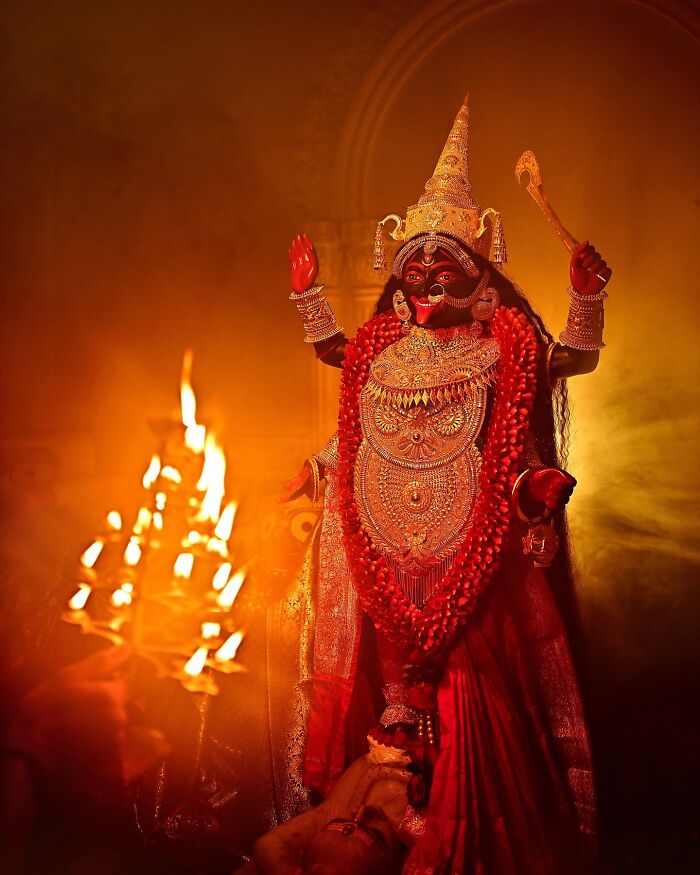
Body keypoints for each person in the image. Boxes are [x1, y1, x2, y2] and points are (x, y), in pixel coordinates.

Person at [280, 94, 611, 874]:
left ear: (476, 275)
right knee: (392, 701)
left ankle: (470, 833)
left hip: (475, 565)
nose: (425, 280)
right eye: (412, 270)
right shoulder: (380, 354)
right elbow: (365, 430)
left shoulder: (502, 347)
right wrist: (317, 468)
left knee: (473, 705)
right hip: (382, 564)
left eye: (442, 268)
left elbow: (558, 379)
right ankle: (379, 822)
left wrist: (585, 300)